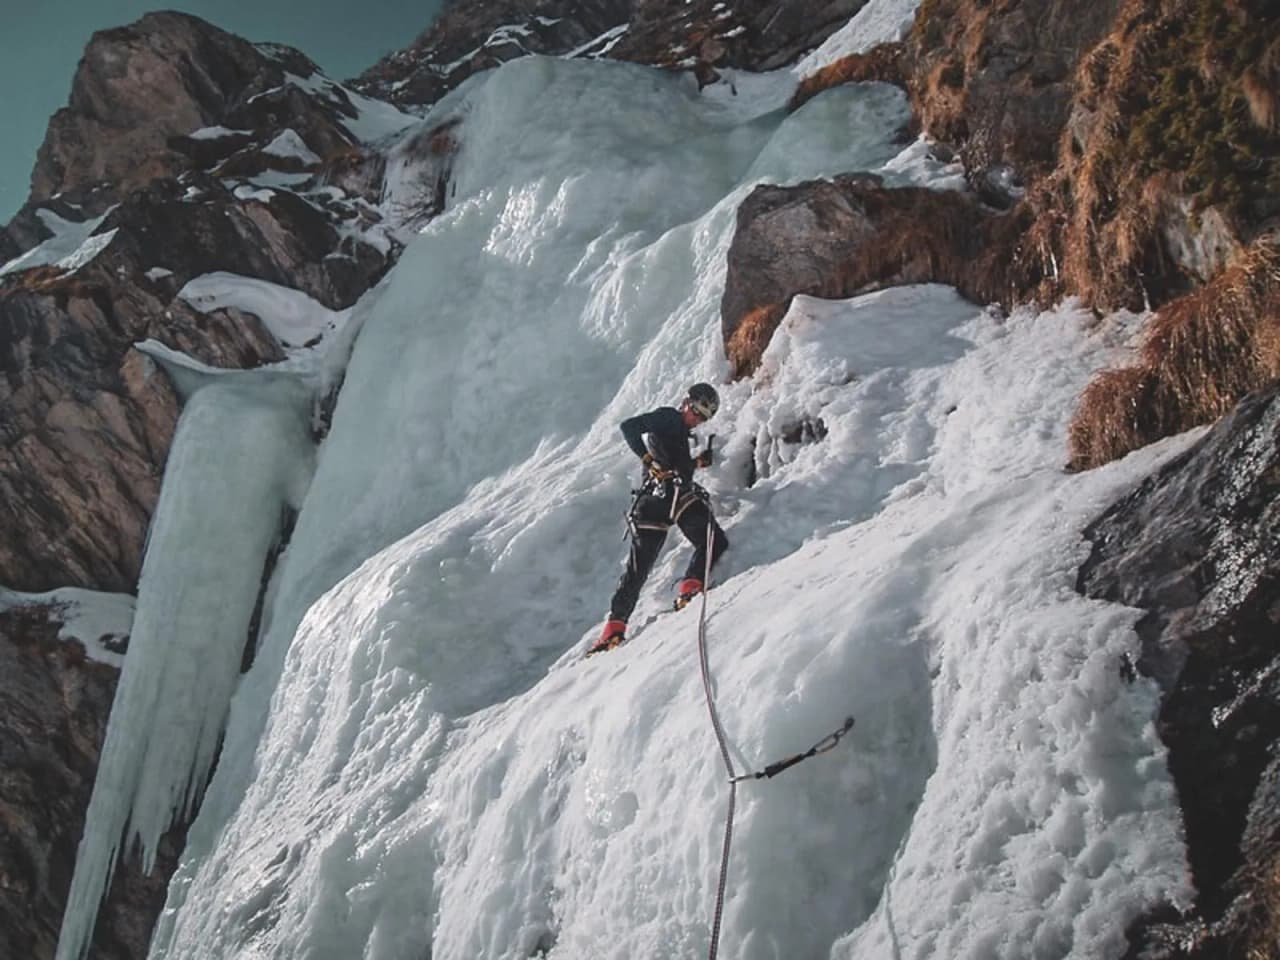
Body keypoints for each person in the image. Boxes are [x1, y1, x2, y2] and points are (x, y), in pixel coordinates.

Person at [590, 382, 729, 654]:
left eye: (704, 417)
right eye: (697, 412)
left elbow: (673, 463)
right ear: (686, 403)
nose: (697, 420)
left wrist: (697, 463)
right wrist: (647, 460)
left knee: (710, 541)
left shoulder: (678, 431)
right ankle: (616, 626)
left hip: (663, 500)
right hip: (664, 499)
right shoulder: (668, 417)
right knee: (644, 565)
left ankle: (684, 592)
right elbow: (629, 427)